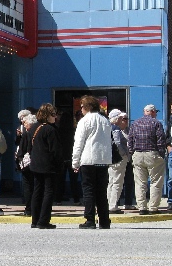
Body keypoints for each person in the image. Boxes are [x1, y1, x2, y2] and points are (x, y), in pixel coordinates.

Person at [71, 95, 113, 229]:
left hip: (88, 159)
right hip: (103, 159)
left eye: (82, 106)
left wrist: (75, 162)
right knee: (101, 191)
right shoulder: (105, 121)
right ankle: (104, 220)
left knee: (88, 190)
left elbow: (79, 143)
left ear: (87, 107)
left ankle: (90, 219)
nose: (81, 109)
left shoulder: (84, 121)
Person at [127, 104, 166, 214]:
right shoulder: (156, 123)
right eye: (155, 112)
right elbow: (160, 140)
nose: (156, 114)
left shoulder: (135, 123)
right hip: (152, 153)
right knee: (156, 182)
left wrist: (132, 153)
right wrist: (161, 154)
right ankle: (153, 207)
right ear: (152, 112)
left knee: (140, 183)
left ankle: (142, 207)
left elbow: (130, 140)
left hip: (138, 154)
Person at [28, 104, 62, 229]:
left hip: (36, 164)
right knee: (48, 192)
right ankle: (43, 220)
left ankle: (35, 220)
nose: (55, 117)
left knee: (37, 191)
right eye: (53, 114)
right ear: (47, 115)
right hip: (48, 165)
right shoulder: (50, 130)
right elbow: (55, 150)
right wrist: (60, 165)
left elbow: (29, 146)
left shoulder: (34, 128)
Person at [107, 109, 130, 213]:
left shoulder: (107, 127)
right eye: (120, 118)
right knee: (117, 182)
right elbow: (117, 142)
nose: (122, 120)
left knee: (111, 182)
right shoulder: (116, 128)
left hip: (110, 158)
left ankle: (109, 203)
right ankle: (113, 205)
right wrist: (123, 154)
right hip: (118, 159)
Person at [15, 112, 37, 217]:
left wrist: (19, 159)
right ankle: (36, 208)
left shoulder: (26, 134)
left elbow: (21, 150)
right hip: (37, 163)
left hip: (27, 165)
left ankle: (29, 209)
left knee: (28, 186)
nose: (23, 124)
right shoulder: (38, 133)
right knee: (36, 186)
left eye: (25, 123)